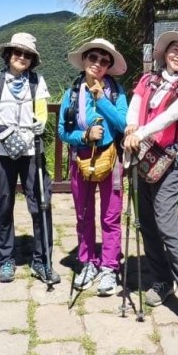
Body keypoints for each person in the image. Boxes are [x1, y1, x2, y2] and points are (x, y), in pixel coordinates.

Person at [122, 30, 178, 333]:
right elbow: (135, 104)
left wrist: (140, 132)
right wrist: (130, 127)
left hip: (167, 163)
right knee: (146, 223)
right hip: (140, 158)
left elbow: (173, 115)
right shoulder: (147, 80)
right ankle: (162, 279)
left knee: (167, 226)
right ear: (165, 53)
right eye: (175, 49)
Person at [0, 32, 58, 284]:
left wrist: (41, 122)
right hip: (0, 150)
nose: (22, 57)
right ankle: (6, 258)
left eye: (27, 54)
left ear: (32, 59)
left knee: (40, 204)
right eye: (18, 52)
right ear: (9, 54)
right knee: (3, 203)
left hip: (31, 150)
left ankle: (43, 260)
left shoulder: (37, 81)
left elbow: (41, 110)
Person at [58, 38, 129, 296]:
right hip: (82, 159)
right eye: (93, 58)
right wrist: (84, 136)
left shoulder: (116, 93)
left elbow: (123, 124)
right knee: (83, 214)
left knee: (111, 215)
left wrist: (101, 99)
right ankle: (87, 261)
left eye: (104, 61)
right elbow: (63, 131)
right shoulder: (71, 94)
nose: (98, 63)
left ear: (109, 66)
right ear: (85, 60)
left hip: (111, 159)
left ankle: (109, 266)